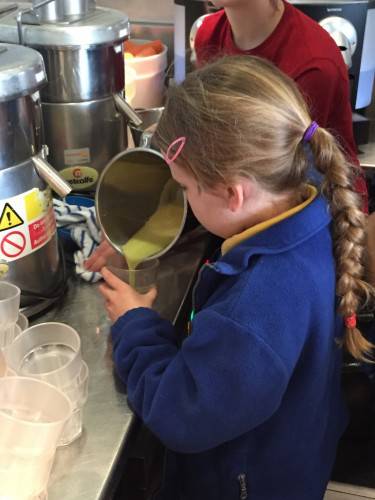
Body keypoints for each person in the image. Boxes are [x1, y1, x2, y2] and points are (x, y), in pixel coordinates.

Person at [97, 56, 374, 500]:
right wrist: (148, 224)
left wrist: (134, 324)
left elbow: (183, 412)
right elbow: (224, 212)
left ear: (232, 192)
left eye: (184, 190)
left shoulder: (253, 311)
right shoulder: (308, 191)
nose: (184, 198)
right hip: (295, 451)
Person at [194, 0, 369, 212]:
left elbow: (290, 178)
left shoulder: (312, 64)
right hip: (248, 191)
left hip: (317, 208)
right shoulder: (208, 34)